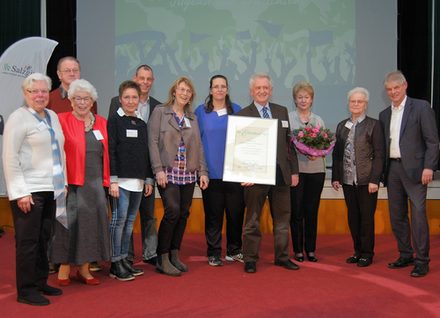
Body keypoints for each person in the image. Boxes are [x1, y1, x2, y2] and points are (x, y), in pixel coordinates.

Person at [3, 73, 65, 306]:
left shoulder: (52, 116)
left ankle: (40, 281)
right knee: (28, 242)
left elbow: (61, 150)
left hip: (51, 188)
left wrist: (64, 181)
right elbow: (10, 158)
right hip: (29, 191)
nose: (39, 95)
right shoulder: (18, 118)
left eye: (43, 91)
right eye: (34, 91)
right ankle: (26, 290)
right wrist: (20, 192)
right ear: (25, 94)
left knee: (43, 238)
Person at [51, 79, 111, 286]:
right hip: (72, 182)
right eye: (78, 98)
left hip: (95, 183)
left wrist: (110, 180)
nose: (82, 102)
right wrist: (61, 180)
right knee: (69, 224)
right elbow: (55, 151)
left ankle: (85, 269)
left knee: (91, 226)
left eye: (86, 98)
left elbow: (108, 154)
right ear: (71, 100)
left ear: (92, 101)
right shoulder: (61, 120)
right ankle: (65, 267)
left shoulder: (102, 122)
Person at [379, 70, 439, 277]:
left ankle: (422, 260)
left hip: (416, 171)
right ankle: (405, 254)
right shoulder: (384, 114)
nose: (393, 92)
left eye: (396, 87)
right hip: (393, 169)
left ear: (405, 86)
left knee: (418, 216)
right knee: (397, 216)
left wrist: (429, 167)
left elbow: (432, 141)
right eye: (389, 89)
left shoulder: (421, 107)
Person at [238, 73, 299, 274]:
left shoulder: (281, 111)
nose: (262, 91)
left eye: (266, 88)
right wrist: (242, 173)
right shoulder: (243, 114)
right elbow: (238, 149)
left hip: (281, 174)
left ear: (271, 90)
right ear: (251, 91)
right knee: (252, 220)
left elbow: (289, 144)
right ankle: (250, 259)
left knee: (282, 219)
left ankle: (282, 257)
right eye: (258, 88)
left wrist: (294, 171)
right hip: (254, 176)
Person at [148, 76, 209, 276]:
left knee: (183, 214)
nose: (184, 93)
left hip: (188, 174)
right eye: (181, 89)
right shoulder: (160, 112)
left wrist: (203, 172)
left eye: (188, 91)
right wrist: (157, 170)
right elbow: (153, 142)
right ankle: (162, 257)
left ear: (191, 95)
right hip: (168, 172)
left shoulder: (193, 118)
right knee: (172, 211)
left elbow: (198, 147)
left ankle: (174, 254)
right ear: (174, 91)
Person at [108, 64, 161, 266]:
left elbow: (151, 144)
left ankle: (148, 253)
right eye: (142, 78)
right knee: (121, 219)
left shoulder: (156, 108)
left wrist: (150, 175)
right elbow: (113, 143)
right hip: (121, 175)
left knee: (144, 216)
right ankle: (123, 257)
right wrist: (113, 178)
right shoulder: (115, 108)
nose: (145, 82)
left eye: (149, 79)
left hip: (143, 173)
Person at [195, 75, 245, 266]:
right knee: (213, 215)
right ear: (210, 90)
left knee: (235, 214)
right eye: (216, 86)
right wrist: (202, 171)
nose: (219, 90)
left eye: (223, 86)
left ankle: (234, 250)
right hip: (210, 173)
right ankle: (214, 252)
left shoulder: (238, 110)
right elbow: (196, 142)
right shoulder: (200, 112)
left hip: (235, 172)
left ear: (227, 89)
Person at [332, 87, 384, 267]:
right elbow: (337, 154)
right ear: (348, 104)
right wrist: (335, 177)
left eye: (359, 101)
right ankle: (357, 251)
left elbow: (379, 154)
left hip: (366, 180)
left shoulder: (374, 125)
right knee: (353, 217)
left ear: (366, 104)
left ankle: (367, 253)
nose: (356, 104)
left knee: (366, 218)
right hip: (347, 180)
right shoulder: (341, 125)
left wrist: (375, 179)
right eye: (353, 101)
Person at [288, 81, 326, 263]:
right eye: (300, 97)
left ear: (312, 100)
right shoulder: (288, 118)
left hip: (317, 171)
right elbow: (286, 147)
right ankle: (298, 250)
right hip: (297, 172)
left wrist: (316, 152)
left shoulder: (318, 120)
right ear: (295, 100)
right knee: (296, 212)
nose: (303, 100)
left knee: (312, 211)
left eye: (307, 97)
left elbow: (325, 143)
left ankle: (310, 249)